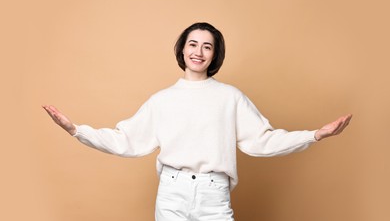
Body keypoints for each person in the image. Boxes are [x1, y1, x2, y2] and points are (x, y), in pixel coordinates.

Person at [43, 22, 352, 221]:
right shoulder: (162, 100)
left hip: (214, 195)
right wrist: (76, 130)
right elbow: (126, 140)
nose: (198, 51)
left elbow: (263, 140)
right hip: (171, 193)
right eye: (193, 43)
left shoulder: (230, 97)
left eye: (207, 46)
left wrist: (314, 135)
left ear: (214, 54)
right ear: (182, 49)